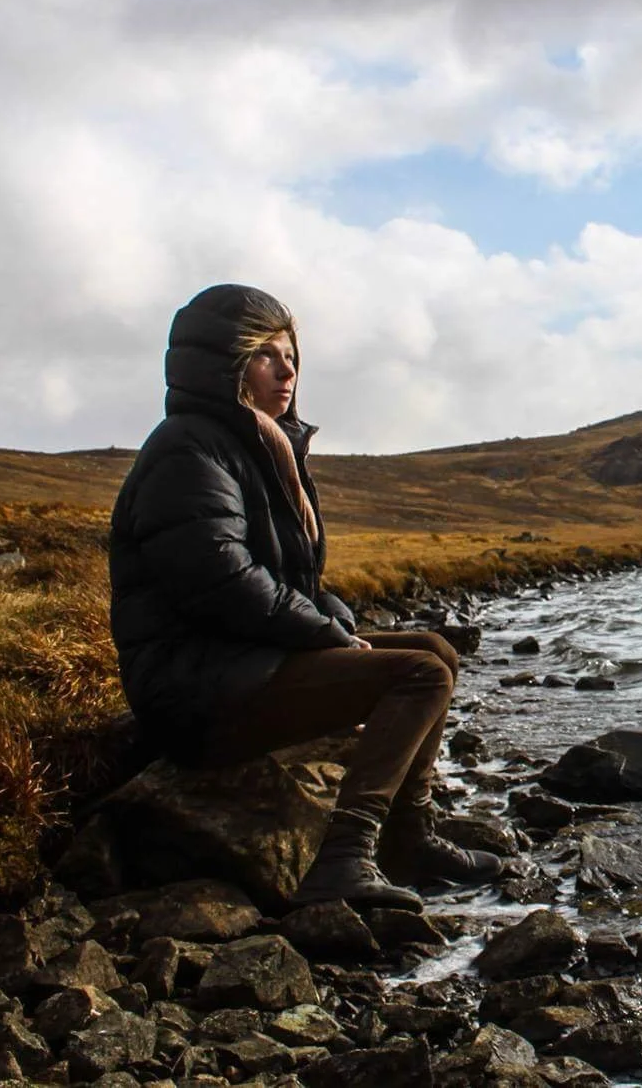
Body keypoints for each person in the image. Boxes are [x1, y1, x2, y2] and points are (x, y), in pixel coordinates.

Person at [108, 284, 498, 912]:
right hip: (193, 688)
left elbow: (294, 579)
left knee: (435, 650)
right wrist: (325, 635)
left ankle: (410, 839)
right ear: (222, 363)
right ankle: (346, 858)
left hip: (239, 661)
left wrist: (333, 619)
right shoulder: (189, 447)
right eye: (265, 354)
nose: (287, 369)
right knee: (419, 676)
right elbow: (219, 579)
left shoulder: (263, 444)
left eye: (290, 354)